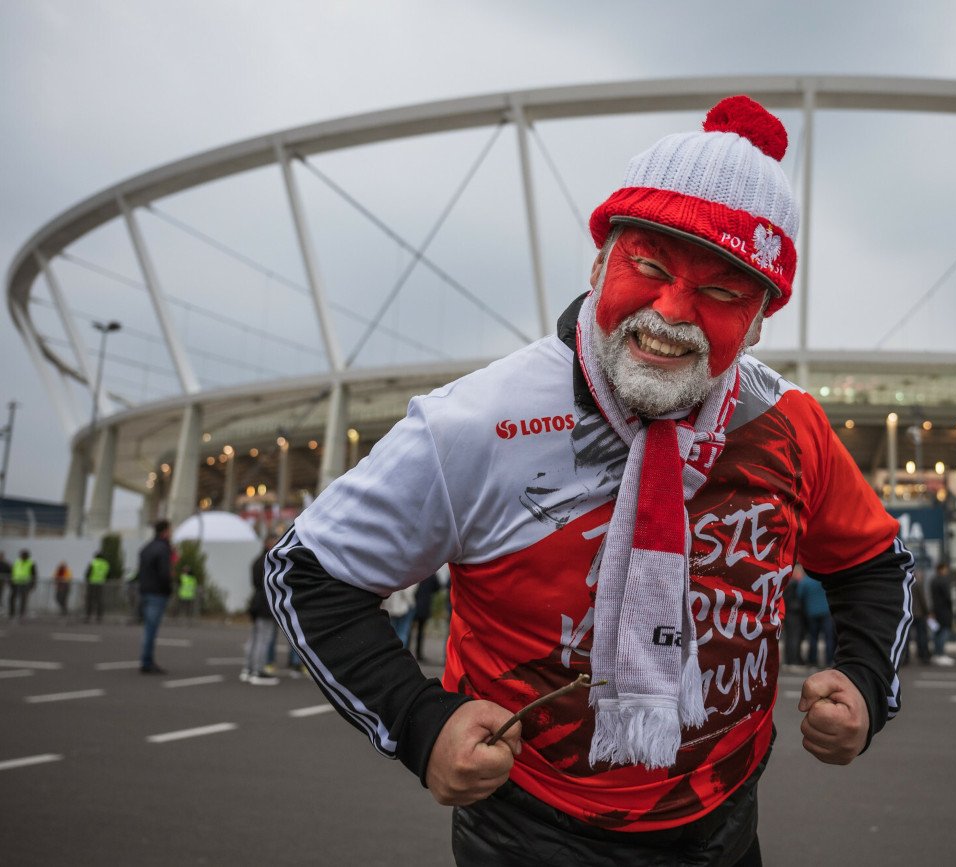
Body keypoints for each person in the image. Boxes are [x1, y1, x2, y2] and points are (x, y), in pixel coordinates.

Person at [265, 95, 913, 865]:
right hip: (532, 829)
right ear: (600, 260)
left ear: (763, 320)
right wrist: (419, 720)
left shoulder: (788, 422)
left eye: (723, 292)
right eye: (649, 265)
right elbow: (308, 572)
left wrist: (866, 682)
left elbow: (874, 563)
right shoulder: (473, 423)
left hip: (729, 819)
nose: (672, 314)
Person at [137, 520, 174, 674]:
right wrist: (169, 589)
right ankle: (147, 661)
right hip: (157, 593)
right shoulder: (163, 549)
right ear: (165, 531)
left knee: (148, 628)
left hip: (145, 591)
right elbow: (164, 573)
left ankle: (146, 660)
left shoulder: (147, 548)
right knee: (151, 629)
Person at [242, 536, 280, 686]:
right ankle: (258, 670)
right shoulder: (270, 560)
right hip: (265, 603)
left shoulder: (257, 560)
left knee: (254, 637)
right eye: (275, 542)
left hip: (256, 601)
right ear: (268, 543)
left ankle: (248, 668)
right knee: (263, 638)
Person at [798, 572, 836, 669]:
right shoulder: (825, 578)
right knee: (828, 637)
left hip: (811, 613)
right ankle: (829, 660)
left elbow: (799, 594)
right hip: (826, 612)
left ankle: (812, 660)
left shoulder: (806, 580)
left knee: (813, 637)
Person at [781, 563, 807, 671]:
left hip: (788, 613)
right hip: (794, 613)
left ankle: (790, 659)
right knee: (794, 637)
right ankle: (793, 660)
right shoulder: (795, 584)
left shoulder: (787, 583)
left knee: (790, 637)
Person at [410, 572, 440, 662]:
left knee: (408, 631)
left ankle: (406, 650)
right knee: (420, 631)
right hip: (425, 605)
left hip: (413, 605)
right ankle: (419, 654)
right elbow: (437, 587)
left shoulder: (415, 571)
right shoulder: (431, 573)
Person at [929, 562, 955, 666]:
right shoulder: (943, 581)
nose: (947, 571)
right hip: (944, 610)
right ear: (941, 569)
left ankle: (936, 654)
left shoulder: (933, 580)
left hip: (936, 610)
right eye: (945, 569)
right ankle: (941, 654)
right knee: (944, 631)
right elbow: (948, 597)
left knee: (937, 632)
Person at [9, 549, 37, 620]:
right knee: (12, 598)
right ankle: (12, 613)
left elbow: (34, 575)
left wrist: (32, 584)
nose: (22, 556)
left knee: (23, 599)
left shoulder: (31, 563)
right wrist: (11, 582)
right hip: (15, 583)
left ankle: (21, 614)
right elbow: (12, 572)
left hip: (25, 583)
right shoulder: (17, 562)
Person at [84, 549, 110, 623]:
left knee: (90, 600)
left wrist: (87, 579)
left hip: (92, 583)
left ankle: (88, 616)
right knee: (99, 600)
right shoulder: (106, 564)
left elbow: (88, 573)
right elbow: (108, 574)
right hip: (101, 583)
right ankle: (99, 617)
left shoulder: (93, 562)